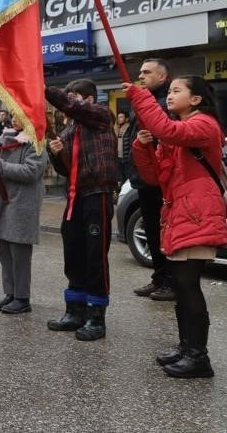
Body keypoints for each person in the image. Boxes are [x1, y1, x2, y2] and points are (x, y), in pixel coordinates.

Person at [126, 75, 227, 378]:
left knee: (187, 283)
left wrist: (141, 97)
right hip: (180, 211)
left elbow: (164, 128)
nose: (169, 96)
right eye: (168, 91)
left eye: (176, 91)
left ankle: (199, 357)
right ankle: (187, 348)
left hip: (197, 211)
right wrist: (143, 147)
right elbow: (156, 176)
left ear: (196, 99)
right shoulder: (178, 134)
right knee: (181, 286)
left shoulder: (204, 125)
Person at [45, 80, 118, 342]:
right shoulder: (71, 129)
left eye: (73, 97)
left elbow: (69, 105)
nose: (69, 102)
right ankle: (74, 311)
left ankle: (96, 316)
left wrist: (41, 89)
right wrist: (55, 153)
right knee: (73, 252)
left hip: (96, 194)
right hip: (75, 196)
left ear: (87, 98)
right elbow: (65, 169)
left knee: (95, 256)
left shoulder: (99, 115)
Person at [127, 59, 175, 302]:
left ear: (162, 76)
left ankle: (171, 281)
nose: (141, 76)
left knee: (163, 232)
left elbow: (162, 129)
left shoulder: (165, 103)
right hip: (143, 178)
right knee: (152, 231)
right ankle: (159, 277)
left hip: (160, 178)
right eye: (140, 72)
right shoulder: (143, 102)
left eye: (147, 72)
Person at [0, 116, 48, 315]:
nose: (14, 119)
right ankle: (10, 293)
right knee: (5, 250)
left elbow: (31, 171)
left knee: (19, 253)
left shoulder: (36, 142)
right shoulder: (8, 138)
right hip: (6, 200)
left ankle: (22, 297)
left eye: (19, 115)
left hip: (23, 203)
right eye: (12, 114)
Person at [115, 111, 131, 187]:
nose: (119, 119)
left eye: (121, 117)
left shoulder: (129, 128)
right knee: (121, 178)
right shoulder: (118, 129)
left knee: (127, 177)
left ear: (126, 119)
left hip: (127, 158)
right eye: (118, 117)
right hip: (119, 157)